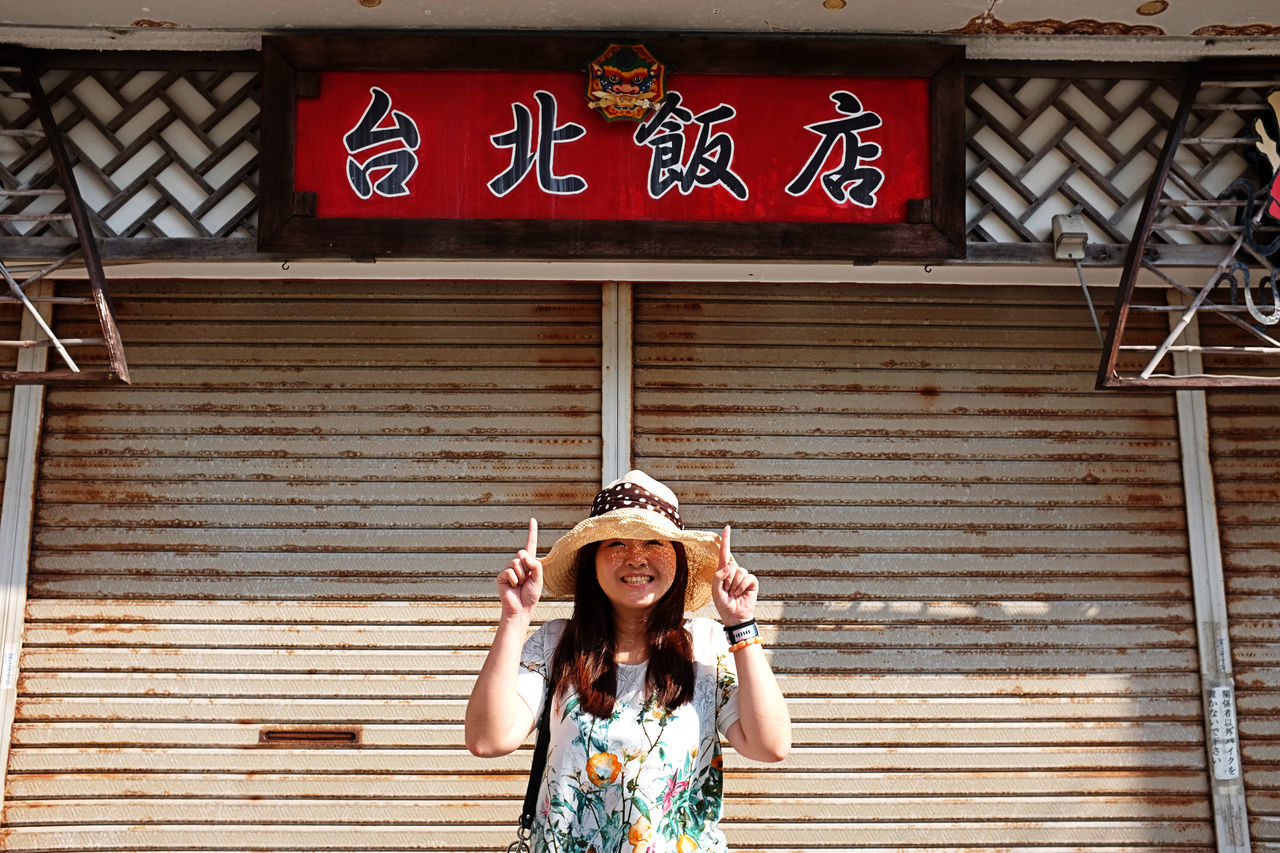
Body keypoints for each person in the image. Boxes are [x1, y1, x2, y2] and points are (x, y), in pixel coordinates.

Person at [465, 470, 791, 853]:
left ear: (678, 559)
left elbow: (770, 745)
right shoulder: (556, 644)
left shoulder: (707, 645)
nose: (637, 559)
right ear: (593, 560)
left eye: (655, 542)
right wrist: (515, 618)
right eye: (617, 543)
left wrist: (740, 624)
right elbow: (488, 740)